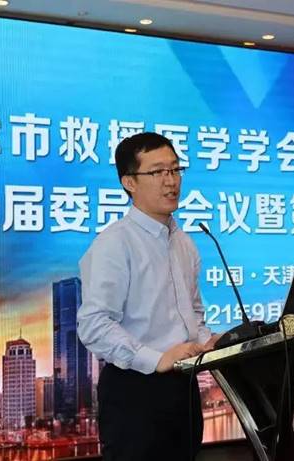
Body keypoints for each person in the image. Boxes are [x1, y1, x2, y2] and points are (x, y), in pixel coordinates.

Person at [77, 132, 219, 461]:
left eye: (175, 169)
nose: (171, 181)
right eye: (157, 172)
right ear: (129, 182)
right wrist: (155, 360)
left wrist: (208, 341)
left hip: (183, 389)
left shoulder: (184, 243)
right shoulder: (115, 244)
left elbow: (193, 314)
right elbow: (93, 324)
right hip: (135, 393)